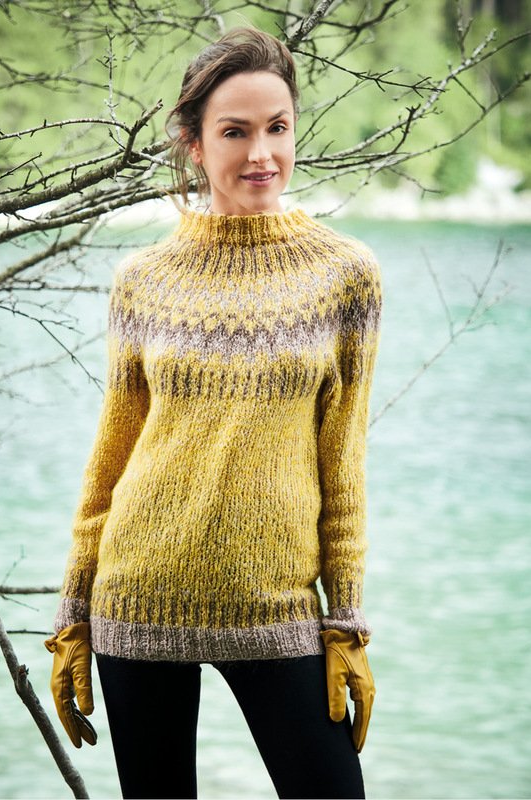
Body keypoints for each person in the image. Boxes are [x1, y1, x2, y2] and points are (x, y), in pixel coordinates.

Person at [45, 26, 382, 800]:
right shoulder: (143, 279)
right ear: (195, 145)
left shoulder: (346, 275)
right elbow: (113, 455)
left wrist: (346, 620)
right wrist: (74, 608)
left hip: (278, 609)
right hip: (138, 599)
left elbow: (343, 463)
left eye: (277, 127)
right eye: (235, 132)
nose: (262, 153)